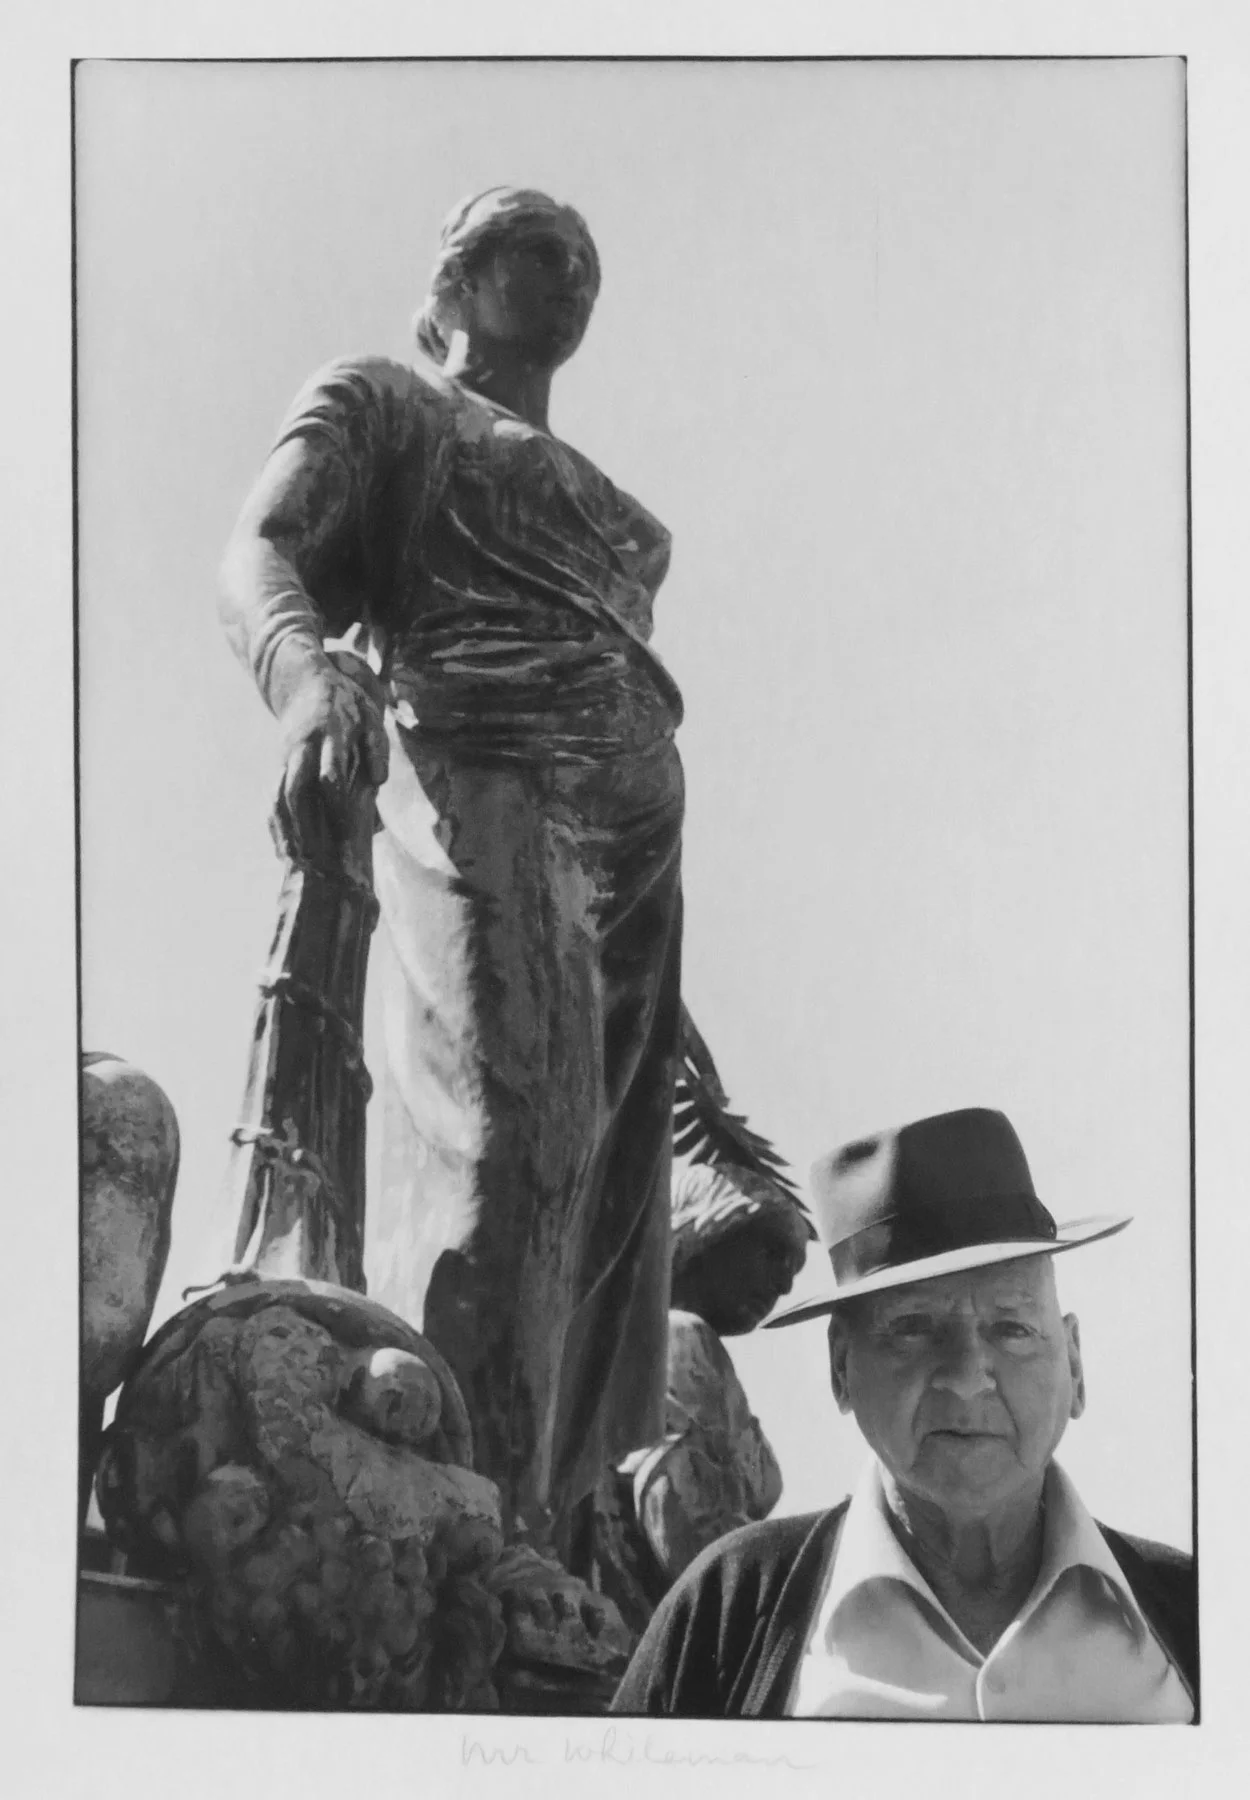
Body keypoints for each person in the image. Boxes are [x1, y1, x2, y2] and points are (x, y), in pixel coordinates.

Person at [219, 187, 685, 1557]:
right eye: (544, 250)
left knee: (608, 1220)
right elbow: (260, 548)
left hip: (639, 850)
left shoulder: (620, 517)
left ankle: (556, 1544)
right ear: (464, 276)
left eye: (591, 261)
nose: (575, 276)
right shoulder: (390, 403)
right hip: (484, 778)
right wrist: (304, 678)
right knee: (515, 1150)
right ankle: (465, 1534)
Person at [611, 1107, 1197, 1721]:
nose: (968, 1378)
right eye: (913, 1329)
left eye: (1013, 1327)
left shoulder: (1197, 1620)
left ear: (1074, 1364)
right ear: (841, 1368)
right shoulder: (725, 1619)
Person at [585, 1162, 812, 1633]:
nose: (785, 1284)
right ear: (710, 1230)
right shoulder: (680, 1338)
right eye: (773, 1253)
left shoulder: (644, 1341)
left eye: (793, 1268)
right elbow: (684, 1519)